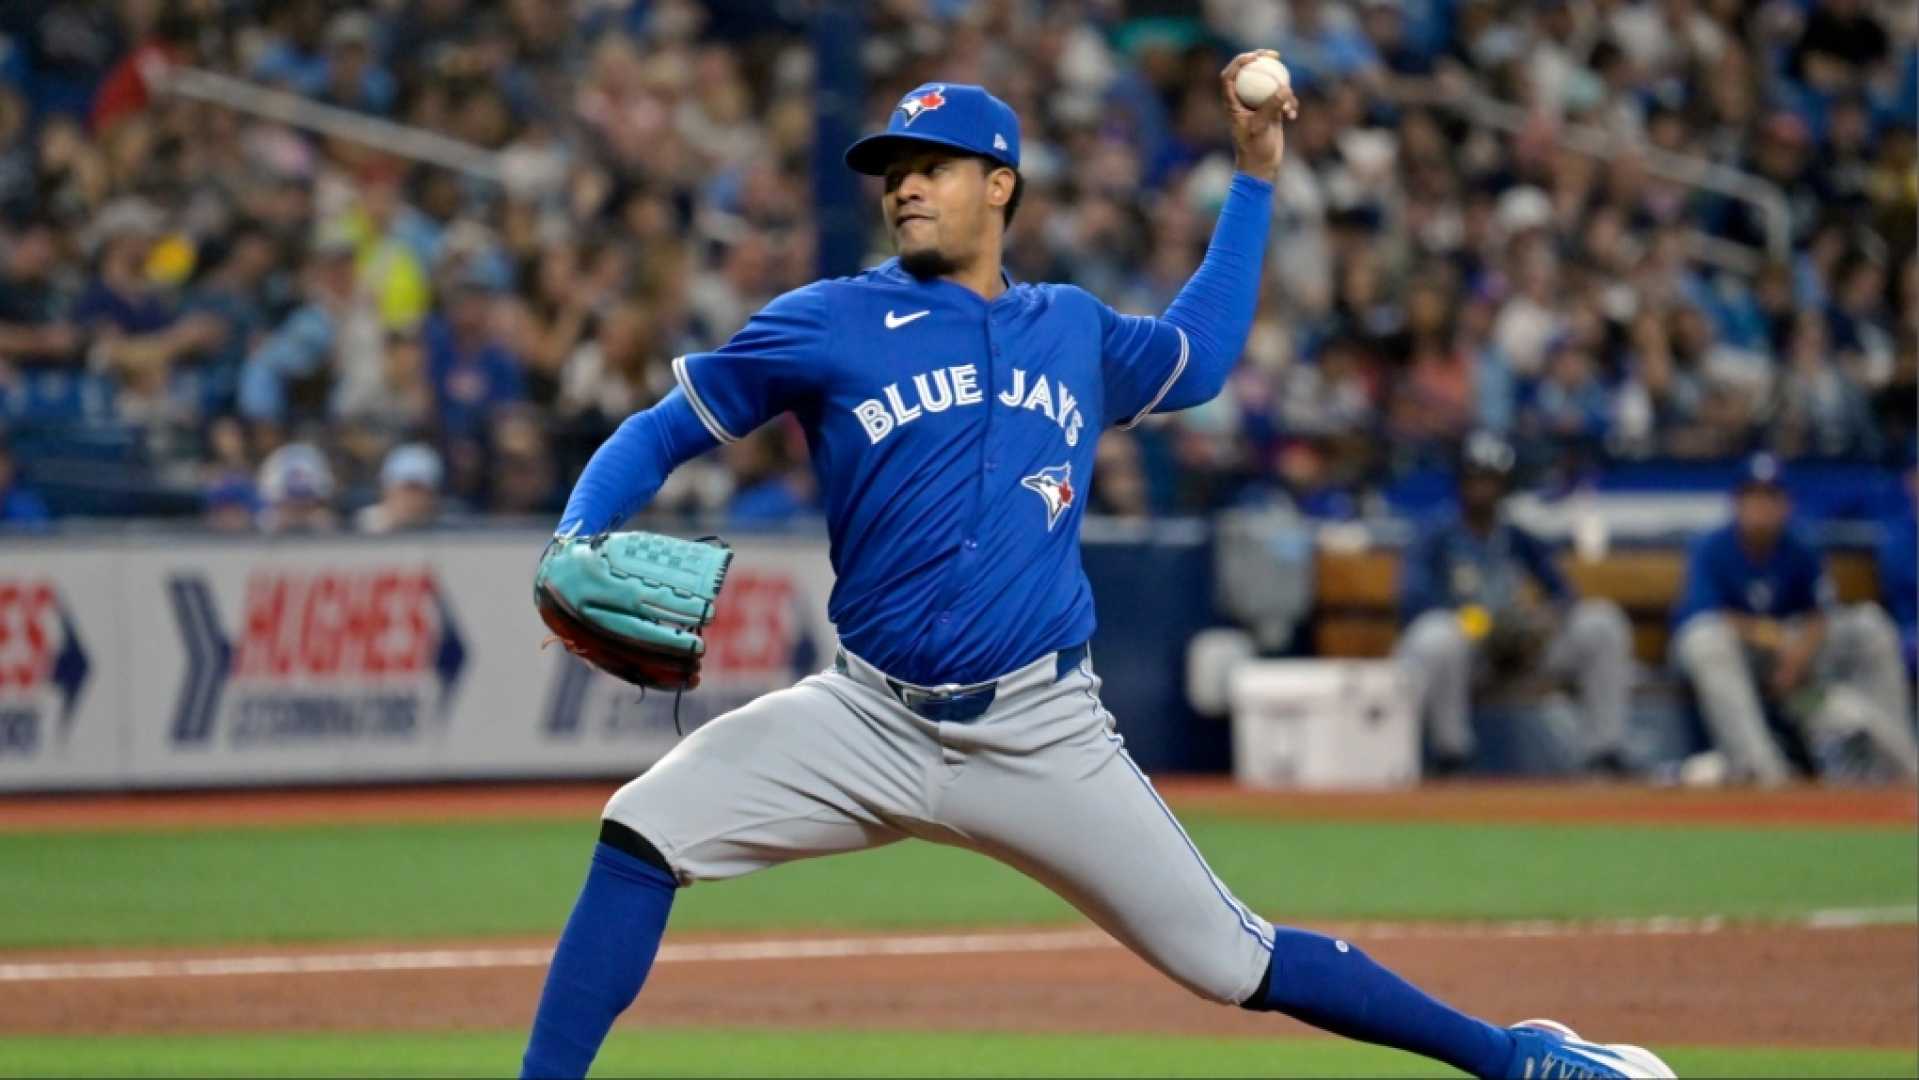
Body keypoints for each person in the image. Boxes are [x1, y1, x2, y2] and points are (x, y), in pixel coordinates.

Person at [517, 68, 1670, 1080]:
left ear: (1000, 185)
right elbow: (666, 430)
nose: (905, 186)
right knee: (641, 830)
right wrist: (578, 530)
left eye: (935, 165)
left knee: (1233, 960)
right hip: (862, 714)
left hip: (1038, 730)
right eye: (893, 170)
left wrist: (1254, 169)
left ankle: (1516, 1058)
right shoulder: (827, 321)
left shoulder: (1069, 327)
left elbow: (1203, 356)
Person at [1394, 431, 1635, 776]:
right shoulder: (1437, 537)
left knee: (1600, 622)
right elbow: (1413, 605)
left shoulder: (1517, 537)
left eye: (1491, 479)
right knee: (1437, 637)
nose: (1483, 488)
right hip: (1469, 651)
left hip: (1522, 648)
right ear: (1461, 481)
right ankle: (1451, 756)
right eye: (1475, 478)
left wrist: (1541, 622)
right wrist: (1478, 625)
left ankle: (1605, 753)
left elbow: (1563, 595)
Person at [1671, 454, 1918, 784]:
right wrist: (1777, 640)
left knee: (1870, 624)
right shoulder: (1713, 547)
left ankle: (1902, 766)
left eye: (1770, 497)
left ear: (1785, 504)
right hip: (1743, 653)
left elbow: (1822, 612)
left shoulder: (1800, 545)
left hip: (1799, 663)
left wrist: (1800, 650)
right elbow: (1706, 613)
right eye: (1752, 497)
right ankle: (1763, 771)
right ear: (1737, 503)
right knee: (1705, 639)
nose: (1761, 507)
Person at [355, 442, 443, 533]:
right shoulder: (359, 529)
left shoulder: (447, 530)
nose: (411, 499)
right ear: (386, 490)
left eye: (418, 490)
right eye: (405, 489)